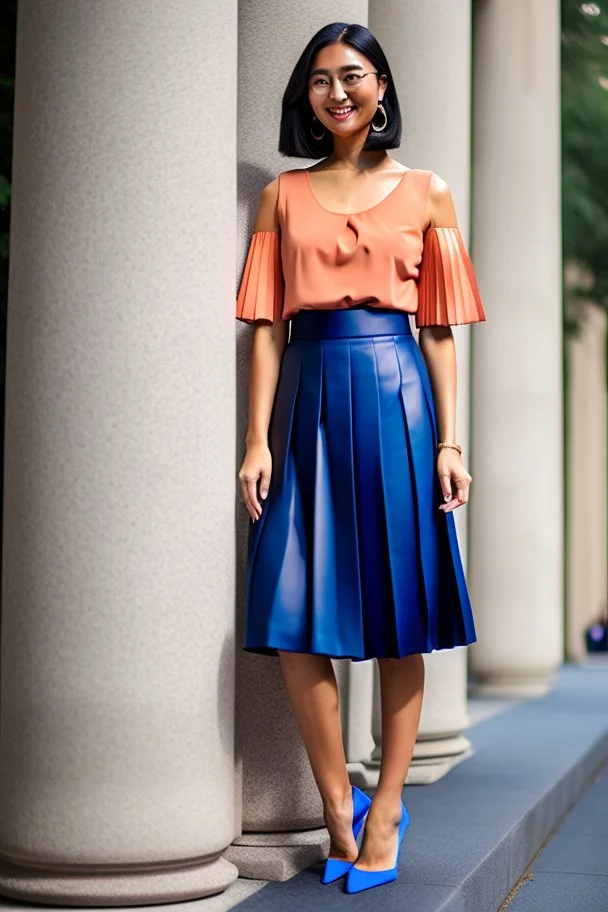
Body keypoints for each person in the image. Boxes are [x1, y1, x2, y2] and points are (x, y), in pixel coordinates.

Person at [235, 21, 486, 895]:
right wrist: (257, 438)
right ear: (304, 97)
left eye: (352, 76)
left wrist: (451, 442)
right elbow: (267, 327)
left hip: (397, 396)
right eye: (319, 80)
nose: (336, 92)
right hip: (305, 395)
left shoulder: (428, 192)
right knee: (296, 614)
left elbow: (441, 331)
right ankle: (336, 802)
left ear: (381, 87)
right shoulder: (283, 198)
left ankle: (386, 810)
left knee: (398, 612)